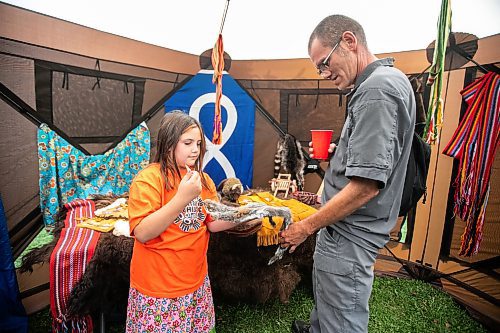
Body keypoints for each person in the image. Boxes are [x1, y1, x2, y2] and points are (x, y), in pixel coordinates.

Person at [280, 15, 415, 333]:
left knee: (343, 317)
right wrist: (322, 194)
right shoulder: (382, 81)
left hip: (349, 233)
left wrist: (307, 226)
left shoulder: (377, 92)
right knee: (329, 300)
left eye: (324, 63)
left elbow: (367, 185)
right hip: (344, 227)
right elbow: (370, 162)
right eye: (319, 69)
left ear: (349, 41)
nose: (324, 74)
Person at [126, 110, 238, 333]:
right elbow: (143, 232)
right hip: (159, 287)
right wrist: (182, 198)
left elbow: (212, 222)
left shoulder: (202, 180)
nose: (196, 149)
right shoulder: (149, 179)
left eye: (198, 143)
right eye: (187, 143)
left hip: (195, 281)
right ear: (168, 144)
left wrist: (245, 216)